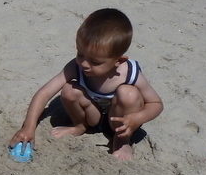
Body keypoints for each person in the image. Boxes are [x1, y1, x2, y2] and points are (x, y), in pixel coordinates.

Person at [9, 9, 163, 161]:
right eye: (80, 54)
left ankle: (122, 141)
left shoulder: (130, 72)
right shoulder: (76, 67)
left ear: (118, 61)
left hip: (120, 120)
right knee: (69, 90)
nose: (84, 64)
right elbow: (44, 93)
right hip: (91, 115)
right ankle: (79, 126)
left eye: (95, 62)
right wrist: (29, 127)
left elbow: (156, 104)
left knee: (129, 93)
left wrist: (137, 118)